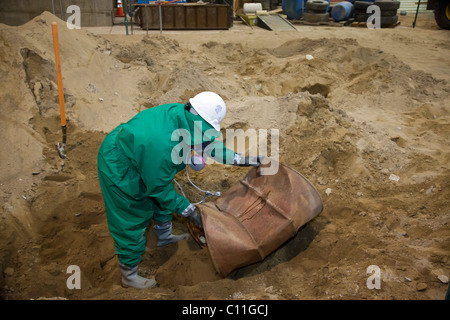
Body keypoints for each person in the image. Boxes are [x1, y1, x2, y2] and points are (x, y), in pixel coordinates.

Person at [97, 91, 263, 289]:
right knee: (132, 214)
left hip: (145, 153)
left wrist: (239, 159)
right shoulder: (161, 143)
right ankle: (129, 275)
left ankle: (164, 237)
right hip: (120, 164)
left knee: (163, 195)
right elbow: (159, 189)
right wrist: (189, 211)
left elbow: (207, 145)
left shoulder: (185, 116)